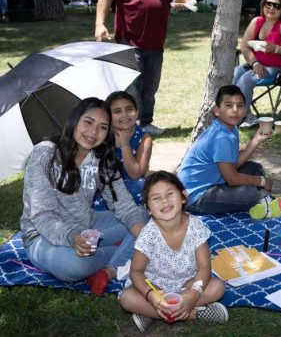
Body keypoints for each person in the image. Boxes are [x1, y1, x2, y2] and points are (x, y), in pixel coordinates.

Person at [20, 97, 146, 295]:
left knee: (146, 217)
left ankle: (110, 269)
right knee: (75, 267)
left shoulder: (101, 157)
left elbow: (123, 205)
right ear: (74, 121)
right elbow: (42, 215)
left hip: (88, 225)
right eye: (88, 122)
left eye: (103, 127)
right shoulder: (44, 155)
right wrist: (71, 237)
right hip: (43, 236)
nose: (94, 132)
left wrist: (144, 232)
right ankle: (134, 253)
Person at [119, 171, 228, 331]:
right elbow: (136, 271)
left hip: (188, 284)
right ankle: (193, 313)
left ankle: (152, 313)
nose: (164, 201)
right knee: (126, 298)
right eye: (156, 198)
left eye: (170, 194)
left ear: (183, 196)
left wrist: (193, 294)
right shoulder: (148, 234)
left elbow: (205, 267)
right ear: (148, 208)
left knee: (217, 287)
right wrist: (151, 295)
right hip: (156, 287)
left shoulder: (196, 227)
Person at [94, 0, 175, 136]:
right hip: (129, 40)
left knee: (150, 88)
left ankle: (146, 122)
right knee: (132, 89)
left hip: (156, 41)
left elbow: (166, 0)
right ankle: (130, 126)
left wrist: (178, 4)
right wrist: (99, 23)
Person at [179, 85, 281, 219]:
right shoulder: (221, 137)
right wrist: (261, 181)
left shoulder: (230, 128)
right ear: (216, 111)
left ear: (245, 111)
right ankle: (264, 202)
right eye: (229, 105)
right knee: (251, 192)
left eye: (239, 106)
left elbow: (233, 164)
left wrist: (256, 140)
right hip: (196, 197)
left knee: (254, 168)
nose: (235, 110)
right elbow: (232, 179)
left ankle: (263, 202)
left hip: (215, 182)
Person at [233, 0, 281, 128]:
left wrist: (276, 48)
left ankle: (246, 116)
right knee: (234, 73)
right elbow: (244, 46)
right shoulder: (257, 21)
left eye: (276, 6)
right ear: (263, 5)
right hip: (256, 63)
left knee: (246, 78)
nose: (271, 8)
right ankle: (231, 112)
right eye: (268, 4)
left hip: (279, 68)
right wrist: (255, 62)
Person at [93, 91, 153, 210]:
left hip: (134, 188)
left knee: (141, 184)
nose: (124, 115)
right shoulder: (101, 134)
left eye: (129, 109)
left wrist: (125, 144)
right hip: (105, 187)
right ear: (108, 116)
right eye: (117, 111)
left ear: (137, 112)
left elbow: (135, 174)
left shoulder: (144, 138)